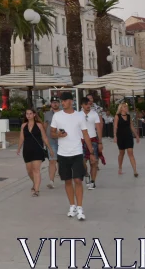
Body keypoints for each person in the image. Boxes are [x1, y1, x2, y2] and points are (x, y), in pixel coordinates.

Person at [50, 91, 90, 221]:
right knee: (67, 180)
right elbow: (52, 133)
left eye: (65, 101)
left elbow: (85, 134)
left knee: (78, 180)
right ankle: (72, 205)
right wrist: (58, 135)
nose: (62, 103)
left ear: (71, 101)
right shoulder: (57, 116)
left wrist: (91, 152)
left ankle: (80, 207)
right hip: (63, 153)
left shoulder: (79, 116)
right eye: (61, 101)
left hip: (77, 152)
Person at [17, 108, 53, 197]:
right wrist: (19, 148)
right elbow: (22, 137)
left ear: (34, 115)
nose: (28, 115)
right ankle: (35, 183)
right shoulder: (23, 126)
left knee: (36, 170)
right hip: (27, 150)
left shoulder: (39, 125)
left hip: (37, 149)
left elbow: (44, 138)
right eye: (27, 114)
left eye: (30, 113)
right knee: (29, 170)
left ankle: (36, 190)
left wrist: (50, 149)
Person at [80, 100, 102, 190]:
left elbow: (98, 128)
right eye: (86, 104)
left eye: (89, 104)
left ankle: (93, 181)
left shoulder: (94, 114)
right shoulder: (78, 115)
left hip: (93, 140)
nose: (88, 106)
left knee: (94, 162)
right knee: (82, 161)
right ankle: (86, 174)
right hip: (81, 140)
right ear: (82, 105)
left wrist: (100, 142)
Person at [114, 102, 139, 177]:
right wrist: (115, 136)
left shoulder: (128, 116)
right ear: (121, 108)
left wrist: (136, 135)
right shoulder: (117, 116)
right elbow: (115, 127)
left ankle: (135, 170)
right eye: (124, 107)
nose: (126, 108)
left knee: (130, 152)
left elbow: (131, 126)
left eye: (126, 107)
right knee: (122, 153)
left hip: (128, 136)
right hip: (120, 136)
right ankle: (120, 167)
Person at [43, 98, 60, 189]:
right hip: (51, 141)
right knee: (52, 160)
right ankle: (51, 181)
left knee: (61, 160)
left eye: (56, 102)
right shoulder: (47, 114)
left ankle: (62, 173)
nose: (55, 104)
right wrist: (44, 139)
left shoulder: (63, 114)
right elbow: (44, 127)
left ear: (59, 103)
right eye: (53, 102)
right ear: (51, 104)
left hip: (62, 141)